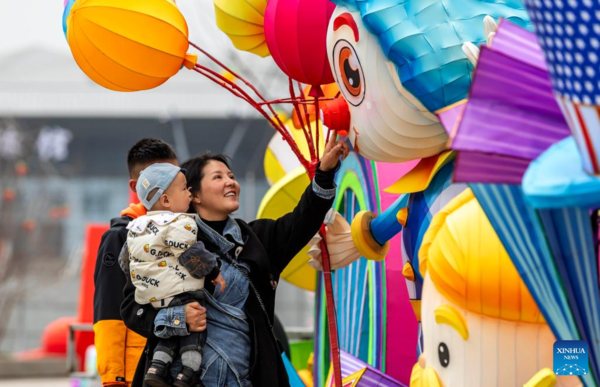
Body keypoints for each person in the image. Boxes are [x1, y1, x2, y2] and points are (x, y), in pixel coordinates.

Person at [121, 135, 349, 386]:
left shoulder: (258, 239)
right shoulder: (162, 240)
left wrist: (325, 172)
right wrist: (177, 317)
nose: (231, 182)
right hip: (180, 378)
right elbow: (132, 309)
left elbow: (303, 219)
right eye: (218, 177)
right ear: (193, 194)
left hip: (245, 377)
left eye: (231, 176)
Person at [94, 138, 206, 386]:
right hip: (138, 366)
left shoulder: (187, 228)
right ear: (137, 186)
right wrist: (114, 377)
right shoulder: (121, 235)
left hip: (181, 363)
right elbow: (108, 309)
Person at [124, 163, 226, 387]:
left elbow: (126, 261)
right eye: (184, 189)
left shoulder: (136, 226)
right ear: (166, 201)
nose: (189, 192)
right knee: (194, 333)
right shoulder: (179, 223)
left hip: (154, 296)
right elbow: (191, 253)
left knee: (169, 335)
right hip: (182, 290)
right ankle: (187, 374)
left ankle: (156, 368)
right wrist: (214, 272)